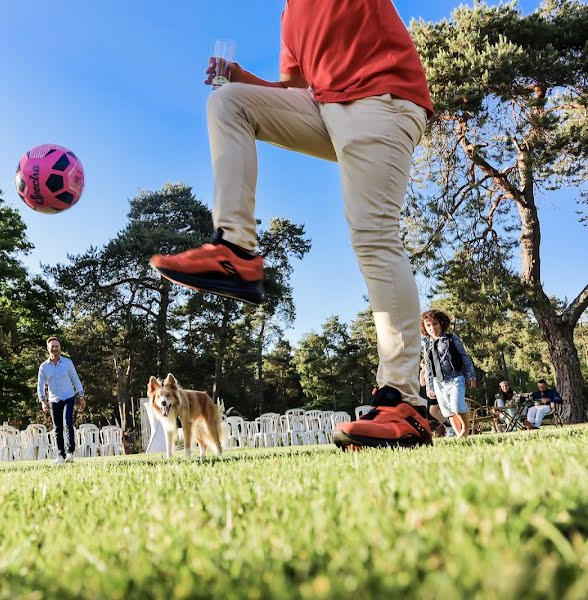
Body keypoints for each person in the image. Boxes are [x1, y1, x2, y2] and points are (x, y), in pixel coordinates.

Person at [149, 0, 434, 448]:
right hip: (325, 108)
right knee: (228, 101)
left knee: (374, 236)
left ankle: (404, 402)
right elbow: (294, 88)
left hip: (382, 101)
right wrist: (244, 79)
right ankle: (235, 251)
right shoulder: (289, 14)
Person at [421, 310, 477, 439]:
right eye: (428, 325)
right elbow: (428, 367)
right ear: (424, 327)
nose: (432, 328)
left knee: (457, 406)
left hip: (456, 377)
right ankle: (461, 437)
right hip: (438, 382)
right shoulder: (426, 345)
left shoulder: (451, 338)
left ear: (441, 324)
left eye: (435, 324)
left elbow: (465, 357)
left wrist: (471, 375)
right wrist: (429, 386)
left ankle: (465, 429)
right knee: (449, 411)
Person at [37, 337, 85, 464]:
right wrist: (43, 401)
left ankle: (70, 453)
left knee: (67, 423)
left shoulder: (67, 363)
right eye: (52, 346)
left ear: (60, 348)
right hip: (54, 400)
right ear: (48, 349)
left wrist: (81, 396)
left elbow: (75, 379)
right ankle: (60, 455)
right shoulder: (44, 367)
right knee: (57, 428)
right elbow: (40, 385)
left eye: (56, 346)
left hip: (68, 397)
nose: (54, 348)